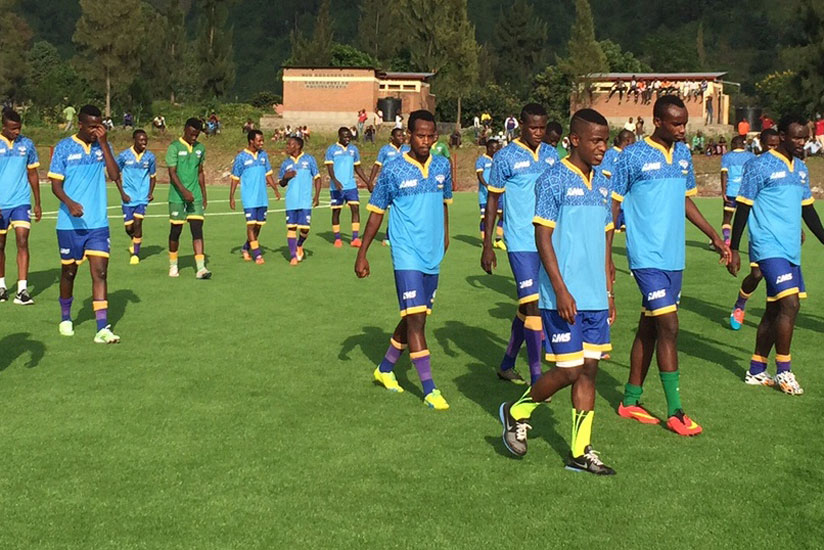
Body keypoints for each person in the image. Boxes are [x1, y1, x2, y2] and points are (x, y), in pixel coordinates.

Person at [499, 108, 616, 474]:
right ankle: (517, 411)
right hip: (562, 297)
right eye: (595, 140)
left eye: (606, 140)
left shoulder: (603, 182)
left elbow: (607, 236)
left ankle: (581, 452)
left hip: (596, 296)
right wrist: (561, 290)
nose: (602, 147)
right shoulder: (552, 180)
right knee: (568, 370)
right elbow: (542, 236)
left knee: (589, 372)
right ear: (575, 140)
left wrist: (610, 290)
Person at [611, 95, 730, 436]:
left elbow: (685, 200)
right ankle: (676, 411)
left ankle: (631, 400)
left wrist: (715, 237)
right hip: (645, 257)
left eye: (684, 123)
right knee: (670, 326)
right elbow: (614, 207)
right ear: (657, 121)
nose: (682, 129)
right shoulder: (631, 156)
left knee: (650, 326)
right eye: (676, 123)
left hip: (673, 257)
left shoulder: (682, 154)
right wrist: (606, 255)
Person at [355, 109, 452, 409]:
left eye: (430, 136)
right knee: (417, 321)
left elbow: (445, 203)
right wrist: (362, 253)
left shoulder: (442, 166)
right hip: (406, 252)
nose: (425, 141)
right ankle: (430, 389)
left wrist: (445, 235)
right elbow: (375, 213)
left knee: (414, 316)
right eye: (420, 135)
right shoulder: (394, 170)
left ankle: (384, 369)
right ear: (408, 135)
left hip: (432, 252)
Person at [728, 114, 824, 395]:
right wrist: (734, 248)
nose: (801, 142)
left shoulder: (802, 169)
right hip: (767, 247)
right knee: (790, 305)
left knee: (774, 309)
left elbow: (808, 210)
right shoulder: (759, 166)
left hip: (790, 248)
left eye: (804, 137)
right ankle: (784, 371)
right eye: (796, 137)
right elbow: (743, 207)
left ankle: (757, 370)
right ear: (782, 136)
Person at [481, 103, 559, 386]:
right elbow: (493, 200)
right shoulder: (505, 157)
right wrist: (487, 245)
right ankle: (538, 378)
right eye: (533, 128)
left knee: (528, 308)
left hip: (549, 241)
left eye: (543, 127)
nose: (539, 133)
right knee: (534, 306)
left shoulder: (552, 155)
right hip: (521, 241)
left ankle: (507, 364)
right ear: (521, 126)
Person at [48, 104, 120, 343]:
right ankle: (66, 317)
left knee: (100, 272)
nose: (95, 130)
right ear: (80, 124)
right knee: (69, 272)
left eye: (99, 126)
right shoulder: (63, 148)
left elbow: (114, 175)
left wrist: (104, 144)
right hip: (69, 225)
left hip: (98, 223)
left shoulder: (102, 146)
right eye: (91, 127)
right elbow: (55, 185)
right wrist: (69, 203)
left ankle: (102, 327)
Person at [729, 128, 781, 329]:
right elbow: (744, 205)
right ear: (761, 144)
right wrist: (734, 246)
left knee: (779, 280)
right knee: (757, 275)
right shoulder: (755, 167)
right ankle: (740, 304)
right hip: (761, 232)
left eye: (776, 145)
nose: (773, 149)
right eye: (770, 145)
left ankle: (776, 317)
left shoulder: (787, 168)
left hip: (782, 234)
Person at [0, 109, 41, 305]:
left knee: (22, 240)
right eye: (13, 129)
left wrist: (38, 202)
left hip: (21, 201)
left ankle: (22, 290)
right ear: (4, 127)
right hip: (1, 203)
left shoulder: (27, 144)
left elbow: (32, 173)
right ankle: (1, 286)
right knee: (0, 244)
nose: (17, 132)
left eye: (19, 128)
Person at [166, 118, 210, 279]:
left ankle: (200, 268)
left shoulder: (200, 149)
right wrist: (184, 191)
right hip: (177, 197)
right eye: (192, 134)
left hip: (195, 196)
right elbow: (172, 173)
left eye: (197, 135)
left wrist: (204, 195)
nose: (194, 137)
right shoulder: (174, 147)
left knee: (197, 230)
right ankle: (173, 264)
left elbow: (200, 172)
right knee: (176, 231)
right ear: (185, 129)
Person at [229, 129, 280, 265]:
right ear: (251, 141)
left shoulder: (263, 155)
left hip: (262, 197)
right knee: (251, 225)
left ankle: (246, 248)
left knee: (258, 226)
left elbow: (268, 174)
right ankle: (257, 255)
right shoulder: (241, 157)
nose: (262, 143)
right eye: (259, 140)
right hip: (249, 197)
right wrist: (231, 196)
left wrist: (275, 189)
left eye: (263, 140)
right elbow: (235, 178)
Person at [114, 129, 157, 265]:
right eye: (141, 140)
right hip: (128, 197)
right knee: (129, 228)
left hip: (142, 197)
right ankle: (135, 241)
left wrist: (150, 193)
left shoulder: (150, 157)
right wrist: (122, 193)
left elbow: (153, 177)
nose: (144, 142)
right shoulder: (124, 156)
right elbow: (115, 174)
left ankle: (135, 254)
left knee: (138, 223)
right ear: (134, 140)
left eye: (145, 140)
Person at [278, 136, 321, 266]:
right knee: (291, 228)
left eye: (289, 144)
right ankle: (293, 256)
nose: (287, 146)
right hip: (291, 201)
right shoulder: (286, 163)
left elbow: (317, 177)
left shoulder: (309, 160)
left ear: (297, 146)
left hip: (305, 200)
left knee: (305, 229)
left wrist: (317, 195)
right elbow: (282, 183)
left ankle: (299, 244)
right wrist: (285, 177)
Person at [325, 127, 368, 247]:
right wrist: (335, 180)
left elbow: (357, 167)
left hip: (351, 186)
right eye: (345, 136)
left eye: (349, 136)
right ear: (339, 136)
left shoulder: (353, 150)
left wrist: (368, 181)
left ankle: (355, 238)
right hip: (336, 187)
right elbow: (329, 168)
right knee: (336, 211)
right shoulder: (332, 149)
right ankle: (337, 238)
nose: (347, 138)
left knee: (355, 208)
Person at [369, 128, 410, 247]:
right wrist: (370, 181)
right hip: (387, 184)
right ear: (392, 138)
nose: (401, 137)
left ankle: (392, 235)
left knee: (399, 211)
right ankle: (388, 235)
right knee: (382, 211)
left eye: (402, 135)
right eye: (399, 136)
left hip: (402, 185)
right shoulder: (385, 150)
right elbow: (377, 165)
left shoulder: (407, 149)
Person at [718, 135, 755, 248]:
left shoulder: (727, 156)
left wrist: (723, 191)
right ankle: (753, 243)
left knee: (727, 218)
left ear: (733, 145)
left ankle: (727, 240)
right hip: (747, 193)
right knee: (751, 220)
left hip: (731, 192)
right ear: (743, 145)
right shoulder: (751, 156)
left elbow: (724, 173)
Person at [600, 129, 635, 232]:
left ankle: (624, 223)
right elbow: (606, 172)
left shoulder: (629, 155)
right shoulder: (610, 153)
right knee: (615, 207)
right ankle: (615, 225)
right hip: (613, 190)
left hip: (626, 191)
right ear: (628, 141)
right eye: (633, 142)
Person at [475, 138, 503, 244]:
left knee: (503, 215)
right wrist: (487, 186)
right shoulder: (481, 160)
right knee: (485, 218)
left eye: (497, 148)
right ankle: (485, 240)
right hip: (485, 194)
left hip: (499, 193)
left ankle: (498, 239)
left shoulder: (498, 160)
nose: (496, 151)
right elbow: (479, 175)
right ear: (488, 148)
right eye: (494, 149)